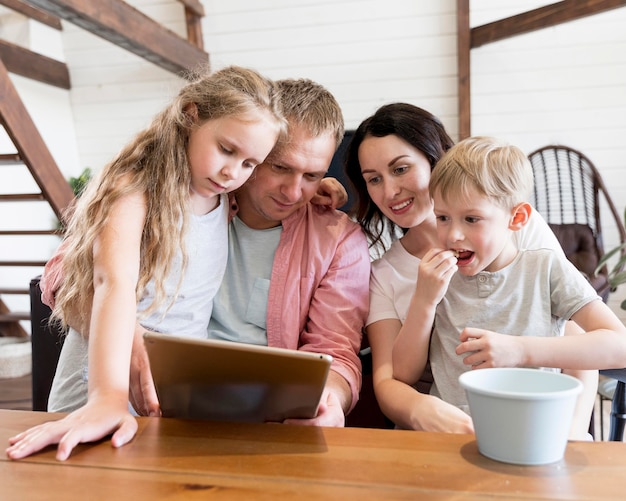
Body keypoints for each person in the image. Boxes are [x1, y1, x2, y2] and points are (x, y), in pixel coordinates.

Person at [6, 65, 287, 461]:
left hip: (171, 396)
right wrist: (107, 398)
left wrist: (322, 188)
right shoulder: (134, 188)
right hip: (101, 385)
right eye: (226, 150)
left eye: (249, 164)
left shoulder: (225, 195)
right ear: (191, 114)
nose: (233, 172)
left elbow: (283, 190)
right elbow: (111, 283)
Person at [344, 103, 599, 435]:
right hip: (443, 432)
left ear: (437, 160)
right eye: (374, 179)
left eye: (401, 169)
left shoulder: (517, 229)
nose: (389, 191)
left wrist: (571, 433)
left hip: (539, 423)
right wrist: (421, 409)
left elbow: (576, 336)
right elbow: (390, 379)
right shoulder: (388, 273)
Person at [129, 77, 371, 428]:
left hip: (265, 421)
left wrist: (328, 399)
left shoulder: (339, 241)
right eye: (280, 167)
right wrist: (128, 336)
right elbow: (63, 278)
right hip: (156, 408)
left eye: (312, 175)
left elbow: (335, 350)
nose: (293, 191)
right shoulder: (186, 199)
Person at [390, 136, 626, 439]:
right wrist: (423, 301)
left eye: (472, 219)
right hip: (453, 440)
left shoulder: (546, 269)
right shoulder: (437, 277)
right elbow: (404, 373)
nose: (453, 235)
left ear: (517, 218)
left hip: (536, 434)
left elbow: (619, 347)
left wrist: (518, 350)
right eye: (443, 218)